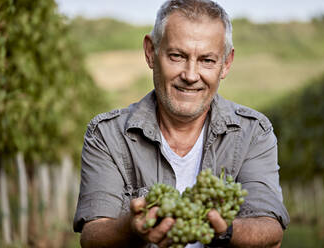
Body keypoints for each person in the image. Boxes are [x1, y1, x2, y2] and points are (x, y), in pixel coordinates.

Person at [73, 0, 289, 247]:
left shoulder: (253, 133)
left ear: (226, 63)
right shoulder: (107, 134)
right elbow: (92, 236)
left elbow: (270, 229)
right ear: (150, 52)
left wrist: (224, 230)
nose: (190, 75)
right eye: (177, 56)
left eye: (207, 60)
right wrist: (131, 227)